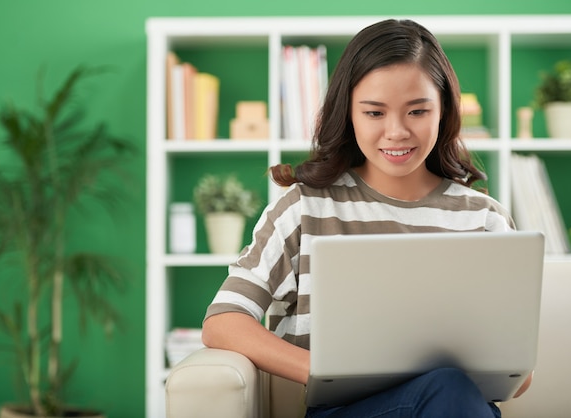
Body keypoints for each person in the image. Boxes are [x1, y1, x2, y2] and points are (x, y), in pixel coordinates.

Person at [202, 18, 532, 418]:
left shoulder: (484, 220)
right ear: (349, 113)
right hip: (344, 412)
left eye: (417, 111)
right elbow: (224, 321)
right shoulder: (306, 208)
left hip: (455, 404)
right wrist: (319, 371)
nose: (396, 132)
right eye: (375, 113)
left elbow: (519, 373)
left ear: (443, 111)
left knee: (451, 390)